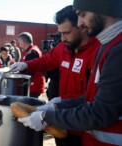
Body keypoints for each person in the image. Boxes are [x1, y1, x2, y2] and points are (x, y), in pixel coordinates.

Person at [16, 1, 122, 146]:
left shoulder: (105, 49)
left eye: (83, 15)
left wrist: (51, 113)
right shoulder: (64, 48)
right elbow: (46, 61)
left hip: (82, 126)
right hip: (67, 121)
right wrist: (25, 65)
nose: (80, 23)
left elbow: (100, 109)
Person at [17, 32, 45, 98]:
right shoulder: (32, 50)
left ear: (23, 42)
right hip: (34, 86)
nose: (20, 45)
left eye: (20, 43)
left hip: (33, 87)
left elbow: (29, 73)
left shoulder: (32, 53)